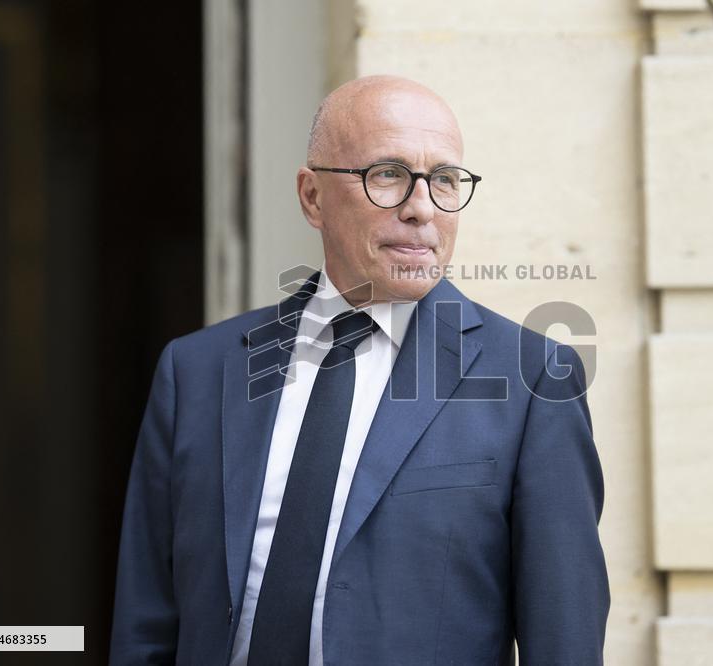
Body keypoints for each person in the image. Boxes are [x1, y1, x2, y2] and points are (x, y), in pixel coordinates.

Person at [110, 75, 609, 665]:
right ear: (312, 196)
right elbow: (146, 624)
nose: (422, 209)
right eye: (389, 175)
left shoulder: (531, 379)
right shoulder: (194, 372)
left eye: (445, 180)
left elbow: (564, 638)